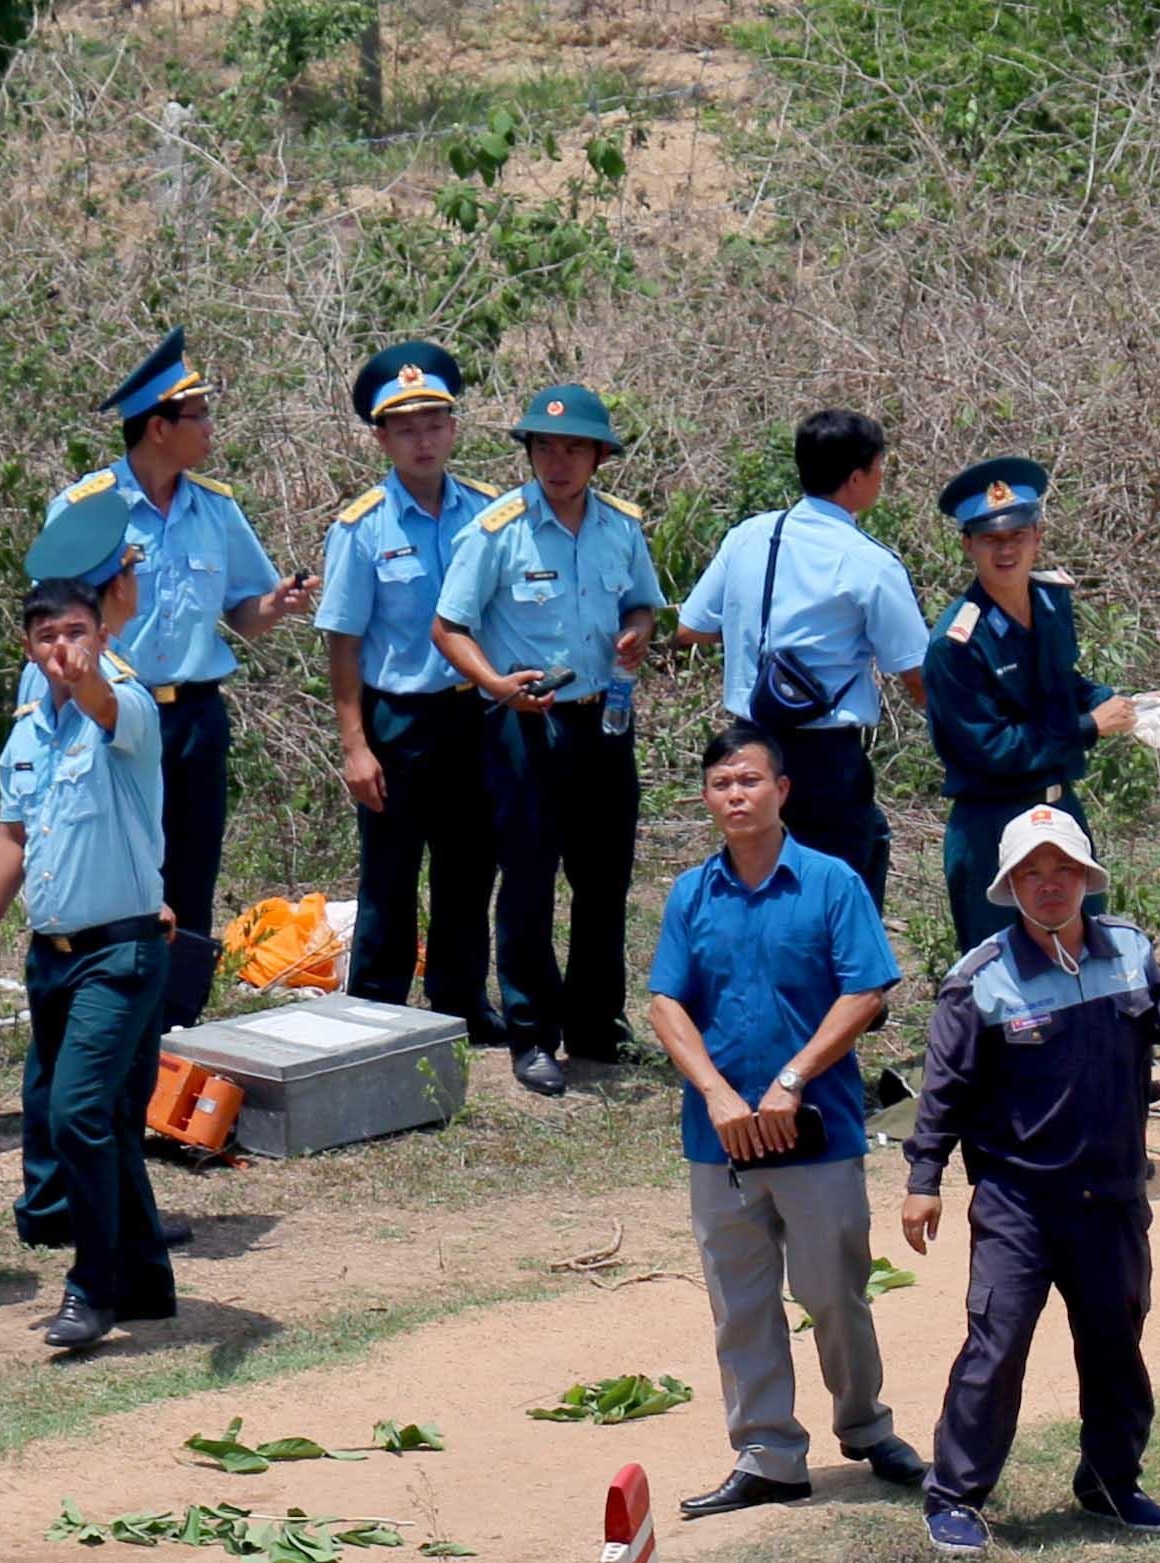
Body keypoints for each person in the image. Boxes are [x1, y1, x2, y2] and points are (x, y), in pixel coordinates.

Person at [902, 805, 1160, 1558]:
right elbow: (945, 1088)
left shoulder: (1130, 950)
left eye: (1063, 869)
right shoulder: (980, 980)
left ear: (1086, 878)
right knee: (998, 1343)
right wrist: (924, 1177)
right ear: (1010, 886)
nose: (1049, 885)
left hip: (1113, 1198)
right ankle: (956, 1497)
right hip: (1019, 1202)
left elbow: (1158, 1020)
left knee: (1115, 1342)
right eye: (1031, 873)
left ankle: (1111, 1484)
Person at [642, 726, 916, 1519]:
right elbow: (664, 1005)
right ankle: (767, 1455)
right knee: (740, 1302)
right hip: (720, 1140)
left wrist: (792, 1079)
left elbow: (865, 992)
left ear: (782, 790)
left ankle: (865, 1428)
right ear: (707, 797)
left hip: (816, 1132)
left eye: (751, 780)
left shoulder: (831, 883)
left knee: (835, 1293)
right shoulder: (691, 894)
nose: (737, 795)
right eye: (722, 783)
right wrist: (718, 1095)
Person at [0, 488, 176, 1358]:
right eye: (47, 637)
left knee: (76, 1113)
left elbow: (106, 706)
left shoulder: (127, 704)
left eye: (76, 633)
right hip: (51, 957)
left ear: (103, 633)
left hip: (121, 954)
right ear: (28, 645)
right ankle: (145, 1276)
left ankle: (92, 1286)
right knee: (99, 1119)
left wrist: (88, 676)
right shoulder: (29, 729)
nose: (62, 649)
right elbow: (12, 835)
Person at [59, 329, 315, 1031]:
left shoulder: (215, 509)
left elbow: (245, 614)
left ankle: (178, 1022)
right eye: (198, 416)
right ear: (158, 428)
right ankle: (109, 1014)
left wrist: (279, 604)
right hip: (113, 711)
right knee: (115, 865)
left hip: (196, 716)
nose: (209, 429)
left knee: (192, 868)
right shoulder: (89, 508)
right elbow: (56, 622)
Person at [436, 381, 669, 1101]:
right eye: (544, 447)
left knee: (604, 879)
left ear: (599, 457)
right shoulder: (498, 529)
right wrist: (495, 684)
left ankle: (596, 1023)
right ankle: (532, 1033)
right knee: (530, 879)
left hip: (604, 721)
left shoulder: (620, 528)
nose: (557, 462)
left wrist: (637, 632)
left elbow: (643, 603)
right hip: (527, 723)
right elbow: (449, 627)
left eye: (573, 449)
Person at [320, 338, 508, 1042]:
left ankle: (461, 1002)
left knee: (469, 864)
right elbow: (343, 641)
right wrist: (355, 746)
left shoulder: (489, 513)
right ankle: (376, 1007)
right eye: (405, 430)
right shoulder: (362, 527)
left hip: (475, 714)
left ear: (454, 430)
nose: (422, 442)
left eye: (433, 425)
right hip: (396, 719)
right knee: (390, 872)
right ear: (382, 439)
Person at [680, 408, 933, 906]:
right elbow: (915, 673)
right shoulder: (871, 562)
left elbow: (693, 628)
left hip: (747, 746)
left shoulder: (749, 536)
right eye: (879, 468)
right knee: (834, 899)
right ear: (857, 478)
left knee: (755, 888)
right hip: (826, 758)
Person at [919, 457, 1138, 954]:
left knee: (1088, 957)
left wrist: (1121, 704)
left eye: (1017, 535)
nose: (1006, 550)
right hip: (994, 823)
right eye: (991, 539)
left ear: (1037, 536)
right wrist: (1088, 727)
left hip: (1060, 809)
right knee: (1000, 970)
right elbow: (993, 749)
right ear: (968, 545)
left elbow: (1063, 684)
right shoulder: (956, 643)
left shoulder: (1051, 600)